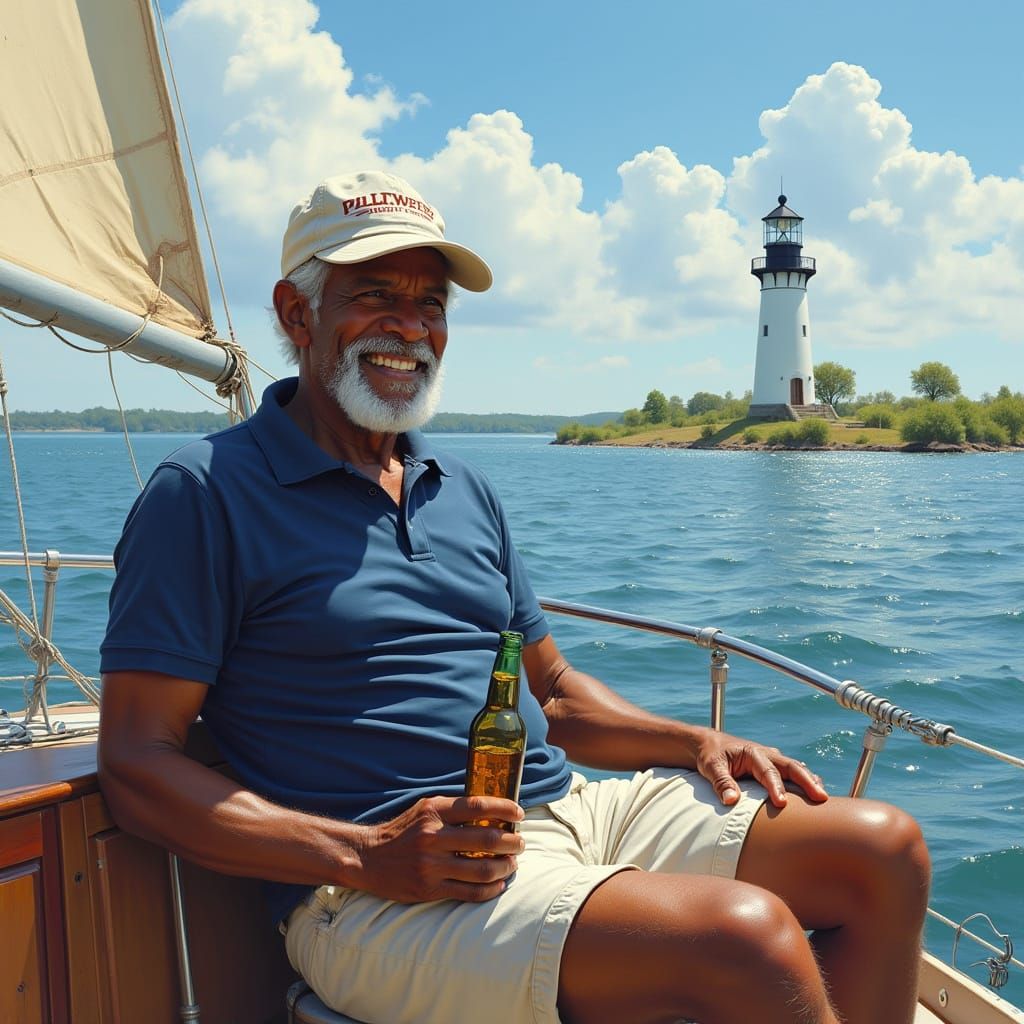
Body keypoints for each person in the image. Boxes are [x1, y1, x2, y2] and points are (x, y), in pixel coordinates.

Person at [98, 170, 930, 1024]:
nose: (410, 326)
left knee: (881, 851)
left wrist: (692, 738)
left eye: (432, 304)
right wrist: (365, 853)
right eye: (375, 294)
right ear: (295, 311)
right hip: (371, 892)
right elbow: (135, 765)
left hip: (566, 806)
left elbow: (555, 695)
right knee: (744, 939)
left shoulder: (460, 485)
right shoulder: (203, 493)